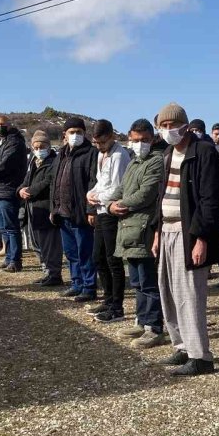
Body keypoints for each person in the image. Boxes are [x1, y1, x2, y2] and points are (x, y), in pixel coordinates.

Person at [153, 102, 219, 376]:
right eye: (163, 126)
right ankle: (182, 346)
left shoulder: (204, 152)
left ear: (185, 125)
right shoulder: (167, 153)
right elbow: (161, 196)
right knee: (168, 292)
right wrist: (156, 231)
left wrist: (201, 238)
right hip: (167, 229)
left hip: (189, 231)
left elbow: (211, 200)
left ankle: (201, 356)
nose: (168, 130)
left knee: (190, 294)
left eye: (173, 125)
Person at [111, 119, 167, 347]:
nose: (139, 144)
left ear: (153, 139)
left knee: (148, 281)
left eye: (144, 140)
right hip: (127, 228)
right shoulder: (134, 162)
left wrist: (120, 204)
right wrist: (111, 204)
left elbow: (145, 194)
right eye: (135, 140)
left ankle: (154, 327)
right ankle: (141, 320)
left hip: (144, 228)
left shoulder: (156, 162)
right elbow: (122, 189)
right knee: (136, 280)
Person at [85, 119, 131, 322]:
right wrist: (91, 194)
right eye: (96, 143)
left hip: (112, 211)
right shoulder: (100, 155)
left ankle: (117, 306)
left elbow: (118, 187)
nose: (99, 146)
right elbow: (100, 181)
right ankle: (108, 297)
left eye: (102, 142)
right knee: (98, 257)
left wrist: (100, 198)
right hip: (100, 209)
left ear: (111, 136)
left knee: (113, 260)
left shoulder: (120, 155)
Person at [52, 117, 98, 302]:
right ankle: (76, 283)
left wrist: (90, 210)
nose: (76, 135)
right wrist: (53, 208)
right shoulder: (60, 155)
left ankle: (89, 286)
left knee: (85, 251)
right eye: (72, 132)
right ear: (65, 135)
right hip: (62, 212)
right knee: (71, 252)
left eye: (79, 132)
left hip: (80, 212)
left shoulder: (90, 153)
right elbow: (53, 183)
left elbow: (93, 183)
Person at [0, 115, 28, 272]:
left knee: (11, 226)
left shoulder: (15, 142)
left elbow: (5, 164)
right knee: (2, 226)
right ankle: (8, 257)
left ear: (9, 124)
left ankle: (15, 260)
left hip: (8, 189)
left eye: (2, 124)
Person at [19, 130, 63, 287]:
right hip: (32, 208)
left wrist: (30, 191)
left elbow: (48, 181)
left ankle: (54, 273)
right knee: (37, 243)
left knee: (50, 244)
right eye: (35, 146)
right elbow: (26, 180)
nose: (39, 149)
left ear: (49, 146)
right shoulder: (32, 161)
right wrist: (21, 189)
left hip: (45, 206)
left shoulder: (54, 162)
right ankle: (46, 271)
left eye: (42, 146)